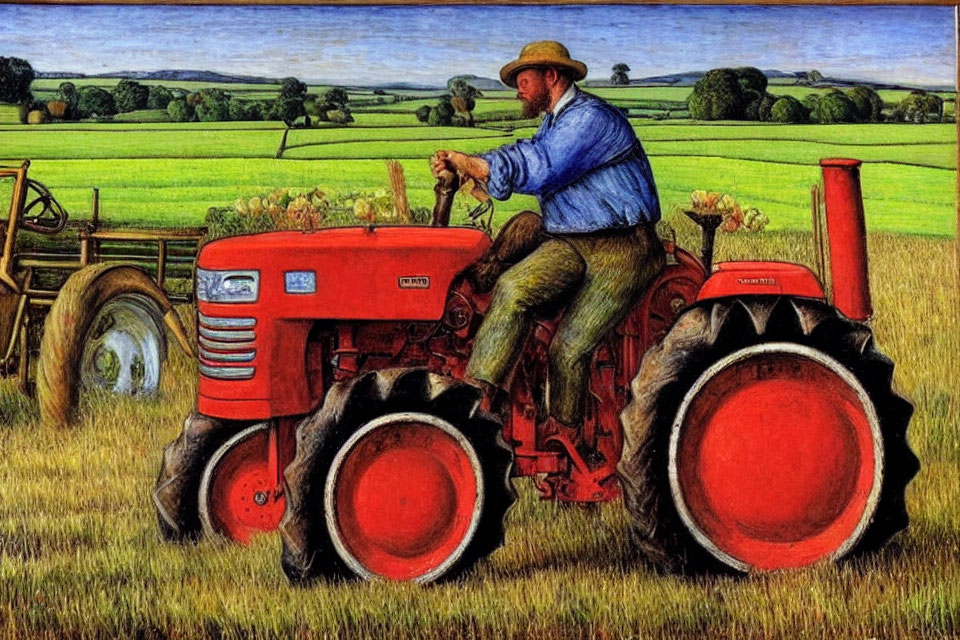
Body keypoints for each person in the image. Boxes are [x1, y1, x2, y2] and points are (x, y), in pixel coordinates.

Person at [431, 41, 665, 432]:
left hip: (624, 249)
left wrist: (477, 164)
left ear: (551, 77)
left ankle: (566, 436)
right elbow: (528, 151)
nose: (518, 90)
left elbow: (541, 166)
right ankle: (475, 405)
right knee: (512, 289)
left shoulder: (591, 119)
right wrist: (474, 169)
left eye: (523, 81)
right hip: (573, 240)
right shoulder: (555, 120)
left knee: (569, 348)